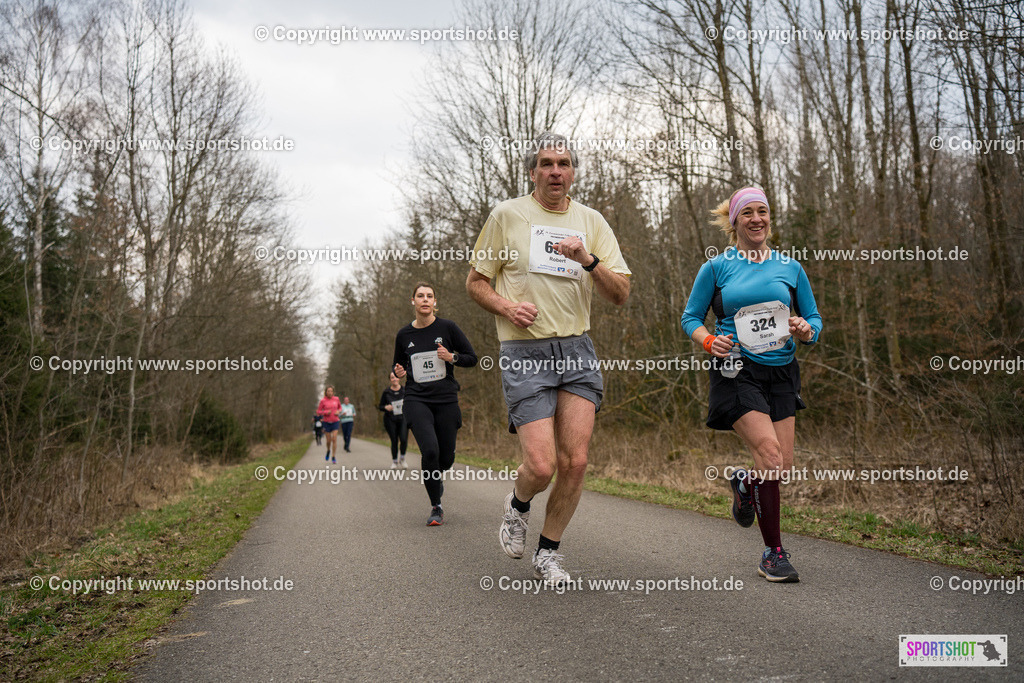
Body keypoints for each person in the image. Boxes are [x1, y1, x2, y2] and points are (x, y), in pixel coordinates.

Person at [467, 132, 631, 585]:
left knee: (575, 461)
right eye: (546, 163)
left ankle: (549, 553)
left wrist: (589, 260)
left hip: (577, 349)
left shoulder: (591, 221)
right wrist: (507, 307)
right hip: (524, 352)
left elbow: (621, 294)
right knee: (542, 466)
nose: (555, 170)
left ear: (573, 171)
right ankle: (518, 506)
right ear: (533, 171)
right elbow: (476, 281)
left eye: (563, 163)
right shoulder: (507, 216)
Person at [680, 187, 822, 583]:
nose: (757, 219)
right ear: (735, 221)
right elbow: (690, 317)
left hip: (782, 371)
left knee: (780, 466)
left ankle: (745, 482)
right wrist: (710, 341)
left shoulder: (790, 267)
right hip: (736, 368)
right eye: (748, 213)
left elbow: (813, 317)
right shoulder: (717, 268)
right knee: (771, 455)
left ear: (769, 219)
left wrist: (807, 330)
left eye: (763, 212)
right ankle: (773, 553)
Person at [393, 282, 478, 526]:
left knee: (445, 459)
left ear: (435, 302)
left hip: (446, 398)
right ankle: (436, 506)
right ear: (413, 301)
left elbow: (472, 358)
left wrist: (452, 357)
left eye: (429, 296)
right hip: (416, 398)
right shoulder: (404, 335)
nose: (425, 300)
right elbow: (397, 364)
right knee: (429, 451)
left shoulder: (448, 328)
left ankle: (437, 476)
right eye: (420, 296)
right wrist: (398, 370)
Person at [378, 372, 409, 469]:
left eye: (395, 377)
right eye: (392, 377)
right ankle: (395, 461)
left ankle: (402, 459)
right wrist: (385, 407)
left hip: (403, 418)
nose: (394, 379)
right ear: (390, 380)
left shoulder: (405, 390)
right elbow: (380, 406)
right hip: (390, 419)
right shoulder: (386, 392)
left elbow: (411, 403)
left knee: (403, 439)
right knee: (394, 440)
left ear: (399, 378)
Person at [316, 386, 342, 464]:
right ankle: (328, 450)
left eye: (331, 391)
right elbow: (318, 411)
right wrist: (326, 412)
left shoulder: (336, 399)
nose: (330, 392)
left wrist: (338, 411)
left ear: (333, 392)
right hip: (326, 422)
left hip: (335, 421)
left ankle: (333, 456)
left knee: (334, 439)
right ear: (326, 392)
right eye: (328, 391)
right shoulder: (323, 401)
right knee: (328, 441)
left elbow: (340, 408)